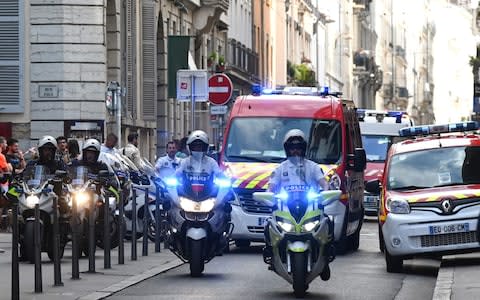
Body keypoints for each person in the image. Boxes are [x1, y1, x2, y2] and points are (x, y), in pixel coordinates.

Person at [263, 129, 330, 264]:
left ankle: (326, 255)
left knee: (327, 222)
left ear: (303, 149)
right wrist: (268, 196)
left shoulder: (313, 167)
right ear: (287, 150)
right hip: (286, 207)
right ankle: (271, 253)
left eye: (298, 148)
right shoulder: (280, 169)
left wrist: (325, 193)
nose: (295, 151)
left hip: (310, 206)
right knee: (268, 224)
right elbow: (271, 188)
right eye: (292, 148)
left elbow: (324, 184)